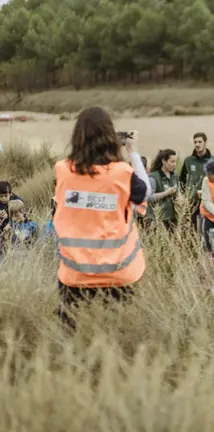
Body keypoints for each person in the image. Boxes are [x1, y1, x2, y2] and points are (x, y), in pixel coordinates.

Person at [53, 107, 149, 330]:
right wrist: (133, 152)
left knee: (68, 331)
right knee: (118, 332)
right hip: (118, 272)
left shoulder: (63, 170)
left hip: (74, 272)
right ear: (110, 135)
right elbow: (144, 193)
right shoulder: (121, 173)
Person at [179, 132, 214, 229]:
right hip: (192, 201)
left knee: (208, 228)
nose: (197, 144)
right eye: (195, 142)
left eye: (200, 142)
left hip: (209, 200)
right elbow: (181, 180)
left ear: (205, 143)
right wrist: (184, 196)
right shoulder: (188, 161)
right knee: (191, 228)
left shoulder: (213, 161)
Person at [147, 149, 180, 230]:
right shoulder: (153, 177)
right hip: (157, 219)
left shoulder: (174, 176)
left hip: (172, 218)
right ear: (164, 161)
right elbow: (149, 197)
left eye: (175, 162)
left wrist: (180, 199)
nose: (174, 164)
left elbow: (178, 192)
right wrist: (166, 193)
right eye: (172, 162)